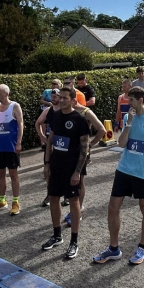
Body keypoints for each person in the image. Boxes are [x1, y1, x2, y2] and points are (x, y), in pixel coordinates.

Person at [93, 87, 144, 265]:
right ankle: (113, 248)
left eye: (132, 101)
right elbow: (121, 143)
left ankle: (142, 247)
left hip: (142, 173)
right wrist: (128, 123)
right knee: (113, 207)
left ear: (141, 100)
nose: (129, 104)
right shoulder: (129, 117)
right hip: (124, 169)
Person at [42, 87, 90, 259]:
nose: (61, 100)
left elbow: (84, 148)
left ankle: (74, 241)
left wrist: (77, 172)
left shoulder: (79, 119)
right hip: (56, 166)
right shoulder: (54, 115)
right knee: (53, 198)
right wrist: (46, 163)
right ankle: (57, 235)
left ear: (72, 100)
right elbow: (50, 141)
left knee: (73, 201)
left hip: (71, 168)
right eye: (59, 97)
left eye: (64, 98)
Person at [0, 84, 24, 216]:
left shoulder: (15, 106)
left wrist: (19, 142)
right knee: (0, 174)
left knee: (13, 174)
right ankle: (2, 200)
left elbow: (20, 124)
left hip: (11, 145)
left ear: (6, 94)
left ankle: (15, 202)